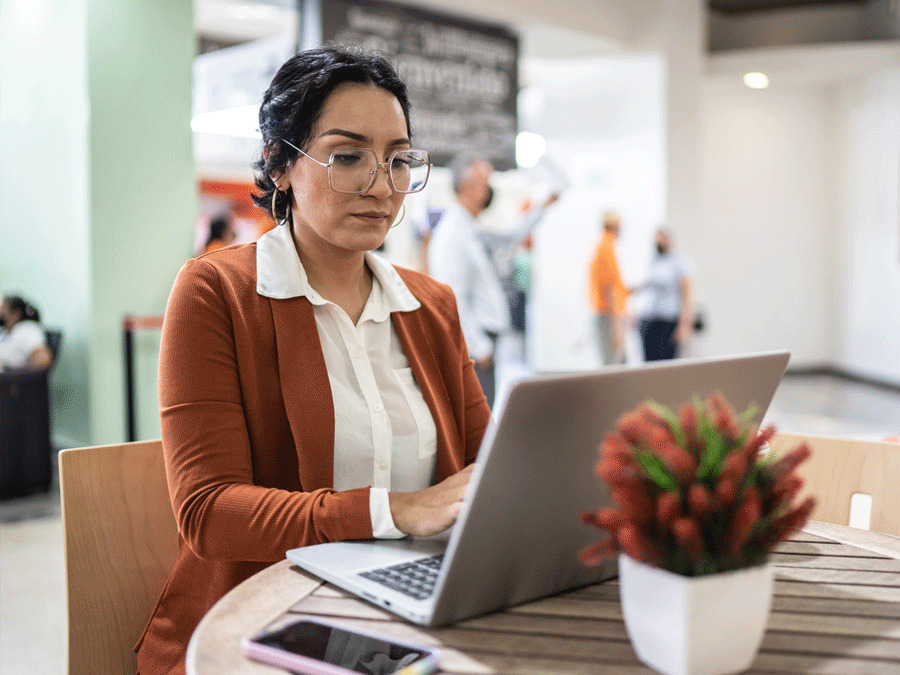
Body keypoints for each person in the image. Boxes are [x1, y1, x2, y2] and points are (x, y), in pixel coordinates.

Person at [136, 47, 490, 674]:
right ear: (279, 165)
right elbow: (209, 511)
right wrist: (396, 510)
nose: (382, 185)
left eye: (398, 159)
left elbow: (489, 471)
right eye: (348, 156)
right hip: (268, 624)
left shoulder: (430, 306)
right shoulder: (217, 292)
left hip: (415, 609)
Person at [427, 154, 557, 407]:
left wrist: (541, 207)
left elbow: (507, 238)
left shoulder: (470, 229)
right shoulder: (453, 234)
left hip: (483, 344)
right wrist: (478, 346)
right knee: (477, 426)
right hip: (474, 349)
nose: (489, 191)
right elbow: (452, 296)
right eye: (485, 183)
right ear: (467, 186)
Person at [637, 226, 695, 361]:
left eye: (662, 236)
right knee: (648, 366)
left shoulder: (680, 261)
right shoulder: (652, 260)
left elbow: (687, 295)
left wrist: (684, 325)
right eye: (657, 237)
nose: (659, 240)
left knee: (666, 365)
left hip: (668, 322)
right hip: (649, 320)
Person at [588, 211, 628, 365]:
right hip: (608, 314)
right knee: (612, 363)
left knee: (613, 361)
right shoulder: (606, 247)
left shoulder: (604, 245)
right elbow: (608, 287)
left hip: (607, 313)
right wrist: (616, 326)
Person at [0, 296, 52, 371]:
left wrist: (14, 375)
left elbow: (43, 360)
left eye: (3, 307)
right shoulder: (4, 332)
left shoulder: (27, 329)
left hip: (10, 378)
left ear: (16, 314)